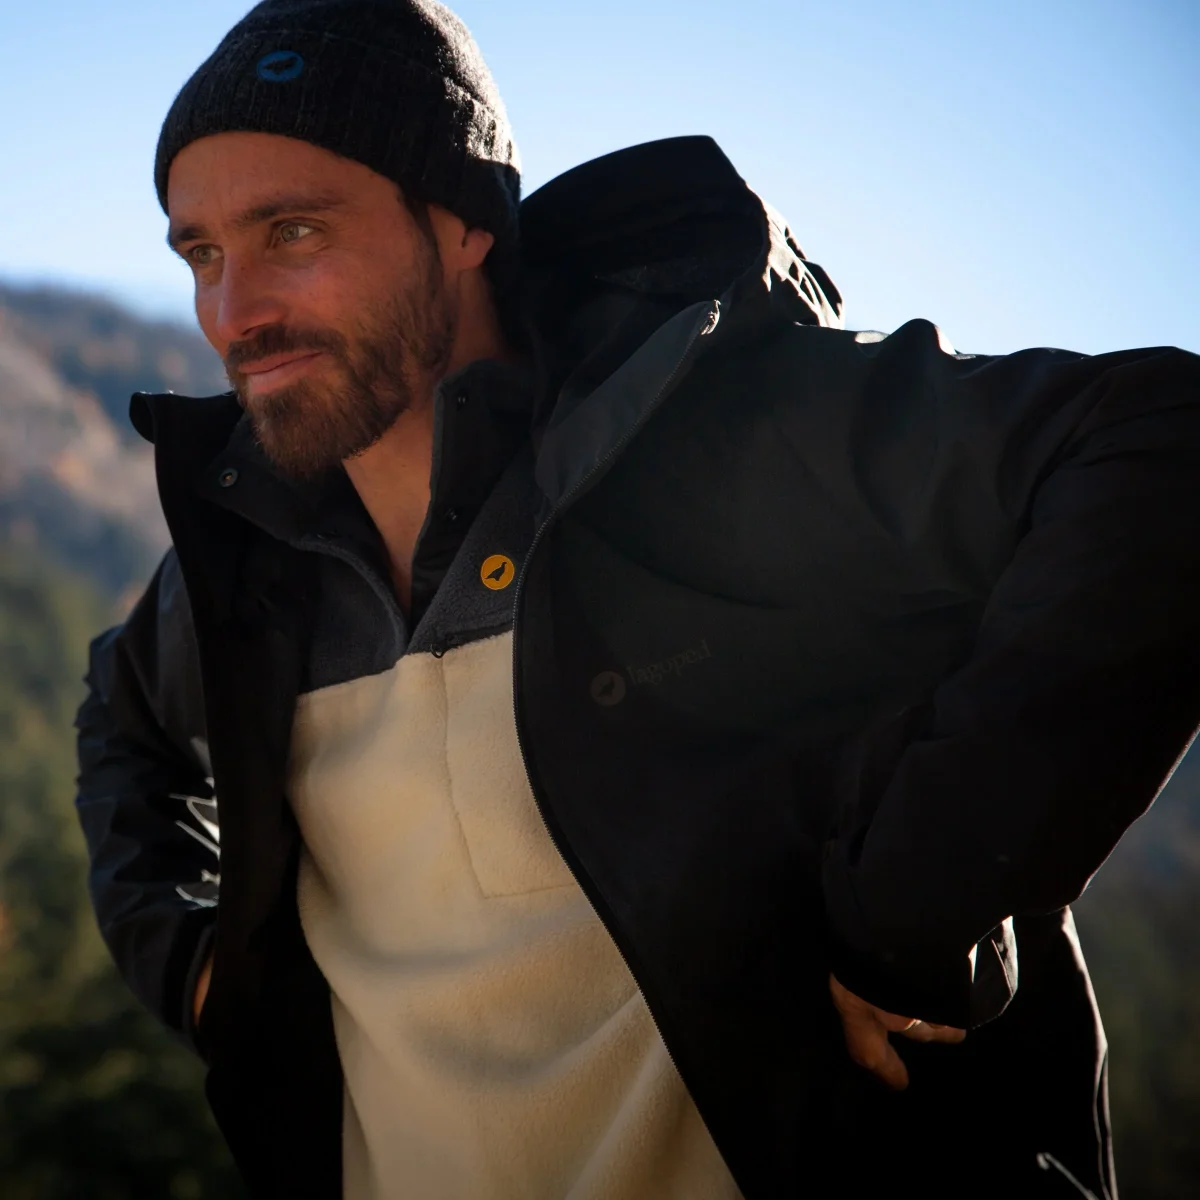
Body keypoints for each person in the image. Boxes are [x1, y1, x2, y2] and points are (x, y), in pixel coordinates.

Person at [73, 1, 1200, 1197]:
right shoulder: (253, 570)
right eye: (201, 255)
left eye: (292, 231)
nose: (233, 312)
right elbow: (122, 728)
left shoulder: (727, 432)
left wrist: (920, 904)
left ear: (463, 222)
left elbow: (1160, 452)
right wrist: (205, 974)